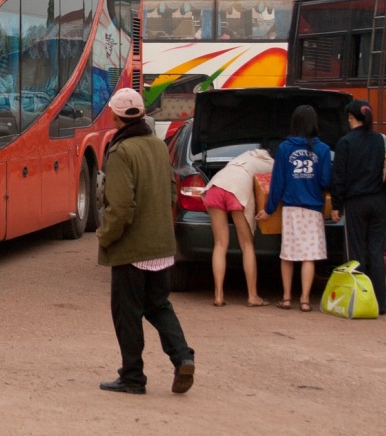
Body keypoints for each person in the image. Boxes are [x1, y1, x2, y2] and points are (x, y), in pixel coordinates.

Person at [97, 88, 195, 396]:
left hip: (132, 248)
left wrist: (105, 236)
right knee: (159, 305)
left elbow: (121, 208)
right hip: (162, 245)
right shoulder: (156, 145)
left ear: (115, 116)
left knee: (127, 312)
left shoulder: (120, 151)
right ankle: (183, 357)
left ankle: (133, 376)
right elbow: (170, 191)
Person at [257, 105, 332, 312]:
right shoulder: (323, 149)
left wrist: (269, 209)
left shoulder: (284, 148)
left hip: (290, 208)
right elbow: (326, 181)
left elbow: (277, 183)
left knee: (288, 254)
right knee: (309, 256)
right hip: (313, 209)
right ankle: (306, 300)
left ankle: (287, 298)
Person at [331, 98, 386, 315]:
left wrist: (336, 205)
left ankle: (359, 300)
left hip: (356, 203)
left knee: (355, 252)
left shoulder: (346, 142)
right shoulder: (381, 140)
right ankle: (380, 303)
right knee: (376, 252)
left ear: (351, 117)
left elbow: (339, 177)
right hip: (379, 202)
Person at [201, 147, 273, 307]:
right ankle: (253, 296)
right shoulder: (270, 163)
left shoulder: (243, 155)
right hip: (237, 191)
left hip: (215, 186)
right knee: (247, 245)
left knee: (220, 244)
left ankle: (218, 295)